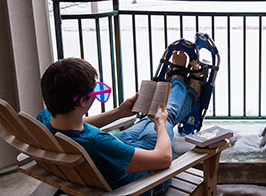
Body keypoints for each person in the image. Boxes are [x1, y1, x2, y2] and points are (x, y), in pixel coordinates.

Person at [37, 52, 201, 194]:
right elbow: (164, 158)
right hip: (146, 182)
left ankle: (190, 90)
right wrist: (160, 123)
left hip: (117, 156)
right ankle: (182, 81)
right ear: (82, 101)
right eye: (97, 91)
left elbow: (81, 123)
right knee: (166, 116)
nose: (97, 94)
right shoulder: (98, 144)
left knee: (149, 117)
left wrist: (119, 112)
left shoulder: (44, 120)